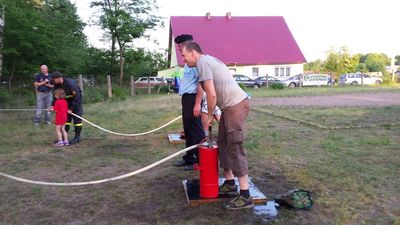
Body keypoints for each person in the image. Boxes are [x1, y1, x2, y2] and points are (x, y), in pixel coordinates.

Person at [181, 41, 254, 210]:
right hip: (229, 108)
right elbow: (209, 91)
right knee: (222, 143)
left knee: (235, 147)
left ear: (193, 53)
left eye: (184, 55)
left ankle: (245, 196)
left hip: (235, 106)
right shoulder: (205, 62)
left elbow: (211, 95)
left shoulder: (202, 63)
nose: (184, 60)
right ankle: (230, 183)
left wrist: (208, 116)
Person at [173, 34, 205, 170]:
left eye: (180, 47)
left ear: (187, 45)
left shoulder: (196, 62)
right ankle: (189, 158)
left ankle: (200, 160)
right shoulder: (187, 62)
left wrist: (197, 104)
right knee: (188, 130)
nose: (179, 50)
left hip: (193, 98)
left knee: (196, 131)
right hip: (186, 98)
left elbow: (201, 84)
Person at [51, 71, 83, 145]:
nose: (53, 81)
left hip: (76, 103)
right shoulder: (57, 85)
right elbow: (56, 96)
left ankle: (77, 137)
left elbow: (77, 97)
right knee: (66, 120)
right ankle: (63, 138)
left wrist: (71, 109)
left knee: (77, 120)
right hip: (65, 104)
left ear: (59, 78)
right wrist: (52, 105)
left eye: (53, 79)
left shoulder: (71, 84)